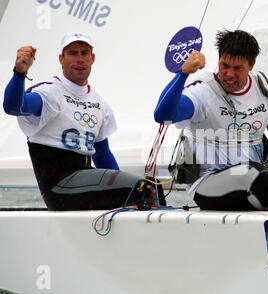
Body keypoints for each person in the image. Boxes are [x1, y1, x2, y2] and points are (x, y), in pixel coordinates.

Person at [154, 29, 268, 211]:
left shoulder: (267, 94)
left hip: (253, 179)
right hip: (206, 184)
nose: (228, 74)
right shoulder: (202, 92)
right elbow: (162, 116)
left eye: (237, 68)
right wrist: (182, 74)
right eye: (224, 65)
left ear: (251, 65)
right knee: (261, 180)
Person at [3, 32, 161, 211]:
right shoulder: (50, 92)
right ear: (61, 59)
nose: (79, 59)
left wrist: (127, 186)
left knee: (150, 188)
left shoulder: (100, 103)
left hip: (84, 181)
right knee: (144, 188)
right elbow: (13, 107)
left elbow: (102, 155)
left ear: (92, 58)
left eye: (84, 53)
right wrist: (19, 74)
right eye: (73, 53)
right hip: (58, 188)